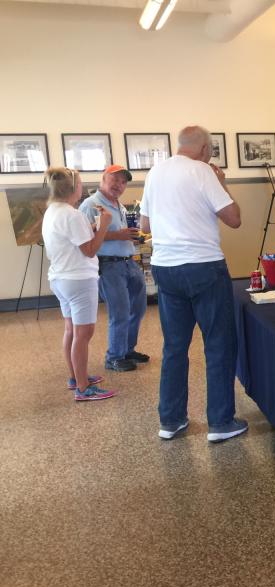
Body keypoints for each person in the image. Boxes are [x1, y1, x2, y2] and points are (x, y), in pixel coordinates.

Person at [140, 125, 247, 443]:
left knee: (174, 346)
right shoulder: (203, 171)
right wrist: (222, 184)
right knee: (218, 344)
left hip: (165, 268)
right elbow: (234, 219)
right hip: (203, 267)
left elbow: (145, 224)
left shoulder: (155, 173)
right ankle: (221, 422)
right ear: (204, 149)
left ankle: (170, 420)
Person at [41, 167, 116, 401]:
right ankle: (83, 389)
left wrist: (93, 227)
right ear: (74, 188)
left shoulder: (52, 211)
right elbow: (90, 250)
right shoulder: (72, 215)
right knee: (83, 334)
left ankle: (76, 377)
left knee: (71, 330)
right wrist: (104, 225)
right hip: (79, 280)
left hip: (60, 278)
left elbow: (73, 239)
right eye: (81, 183)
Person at [79, 165, 149, 372]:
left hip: (129, 262)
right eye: (115, 179)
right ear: (103, 178)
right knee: (120, 312)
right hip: (108, 265)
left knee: (138, 309)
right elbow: (84, 238)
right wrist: (118, 235)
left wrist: (133, 236)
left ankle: (127, 350)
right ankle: (114, 357)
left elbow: (123, 233)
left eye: (123, 182)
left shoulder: (119, 206)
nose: (119, 185)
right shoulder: (91, 205)